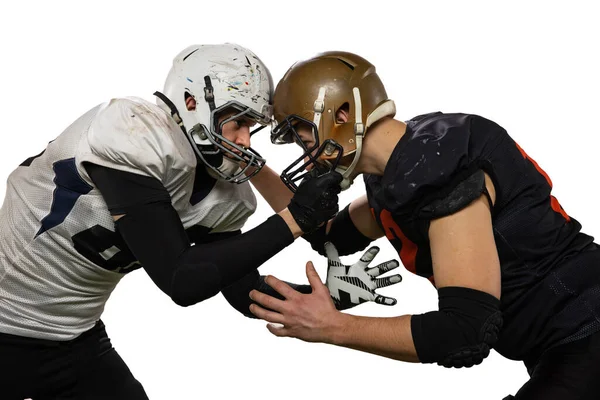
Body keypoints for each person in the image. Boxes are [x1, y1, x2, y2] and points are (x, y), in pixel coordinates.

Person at [0, 43, 349, 399]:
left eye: (252, 127)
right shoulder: (134, 129)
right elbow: (181, 280)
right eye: (238, 121)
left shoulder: (225, 196)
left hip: (72, 340)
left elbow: (246, 294)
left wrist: (333, 296)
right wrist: (294, 220)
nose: (245, 140)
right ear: (192, 101)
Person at [248, 51, 600, 399]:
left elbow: (466, 330)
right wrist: (249, 165)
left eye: (306, 140)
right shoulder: (401, 167)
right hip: (564, 343)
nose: (307, 157)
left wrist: (332, 326)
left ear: (343, 114)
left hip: (586, 327)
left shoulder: (435, 171)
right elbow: (323, 232)